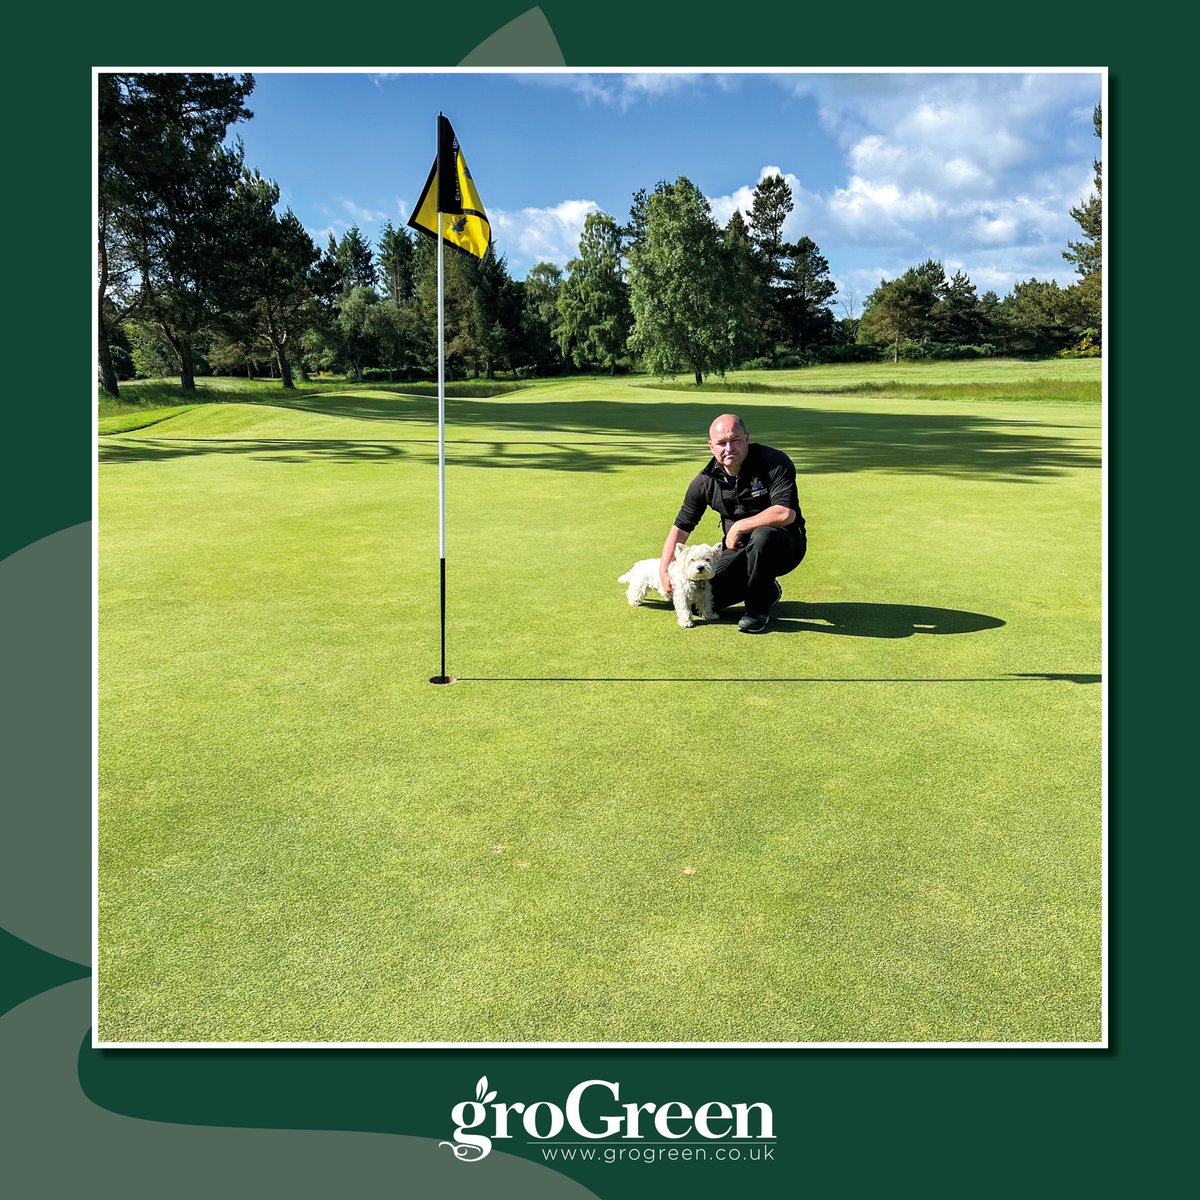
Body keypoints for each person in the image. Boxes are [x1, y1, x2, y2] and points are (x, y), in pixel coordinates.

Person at [657, 413, 806, 633]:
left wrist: (739, 526)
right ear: (711, 447)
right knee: (701, 602)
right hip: (739, 550)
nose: (729, 448)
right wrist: (664, 570)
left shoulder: (773, 462)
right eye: (721, 443)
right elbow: (681, 528)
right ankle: (768, 590)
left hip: (784, 545)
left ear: (747, 438)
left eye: (735, 440)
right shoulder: (705, 481)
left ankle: (757, 611)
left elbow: (785, 514)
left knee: (762, 535)